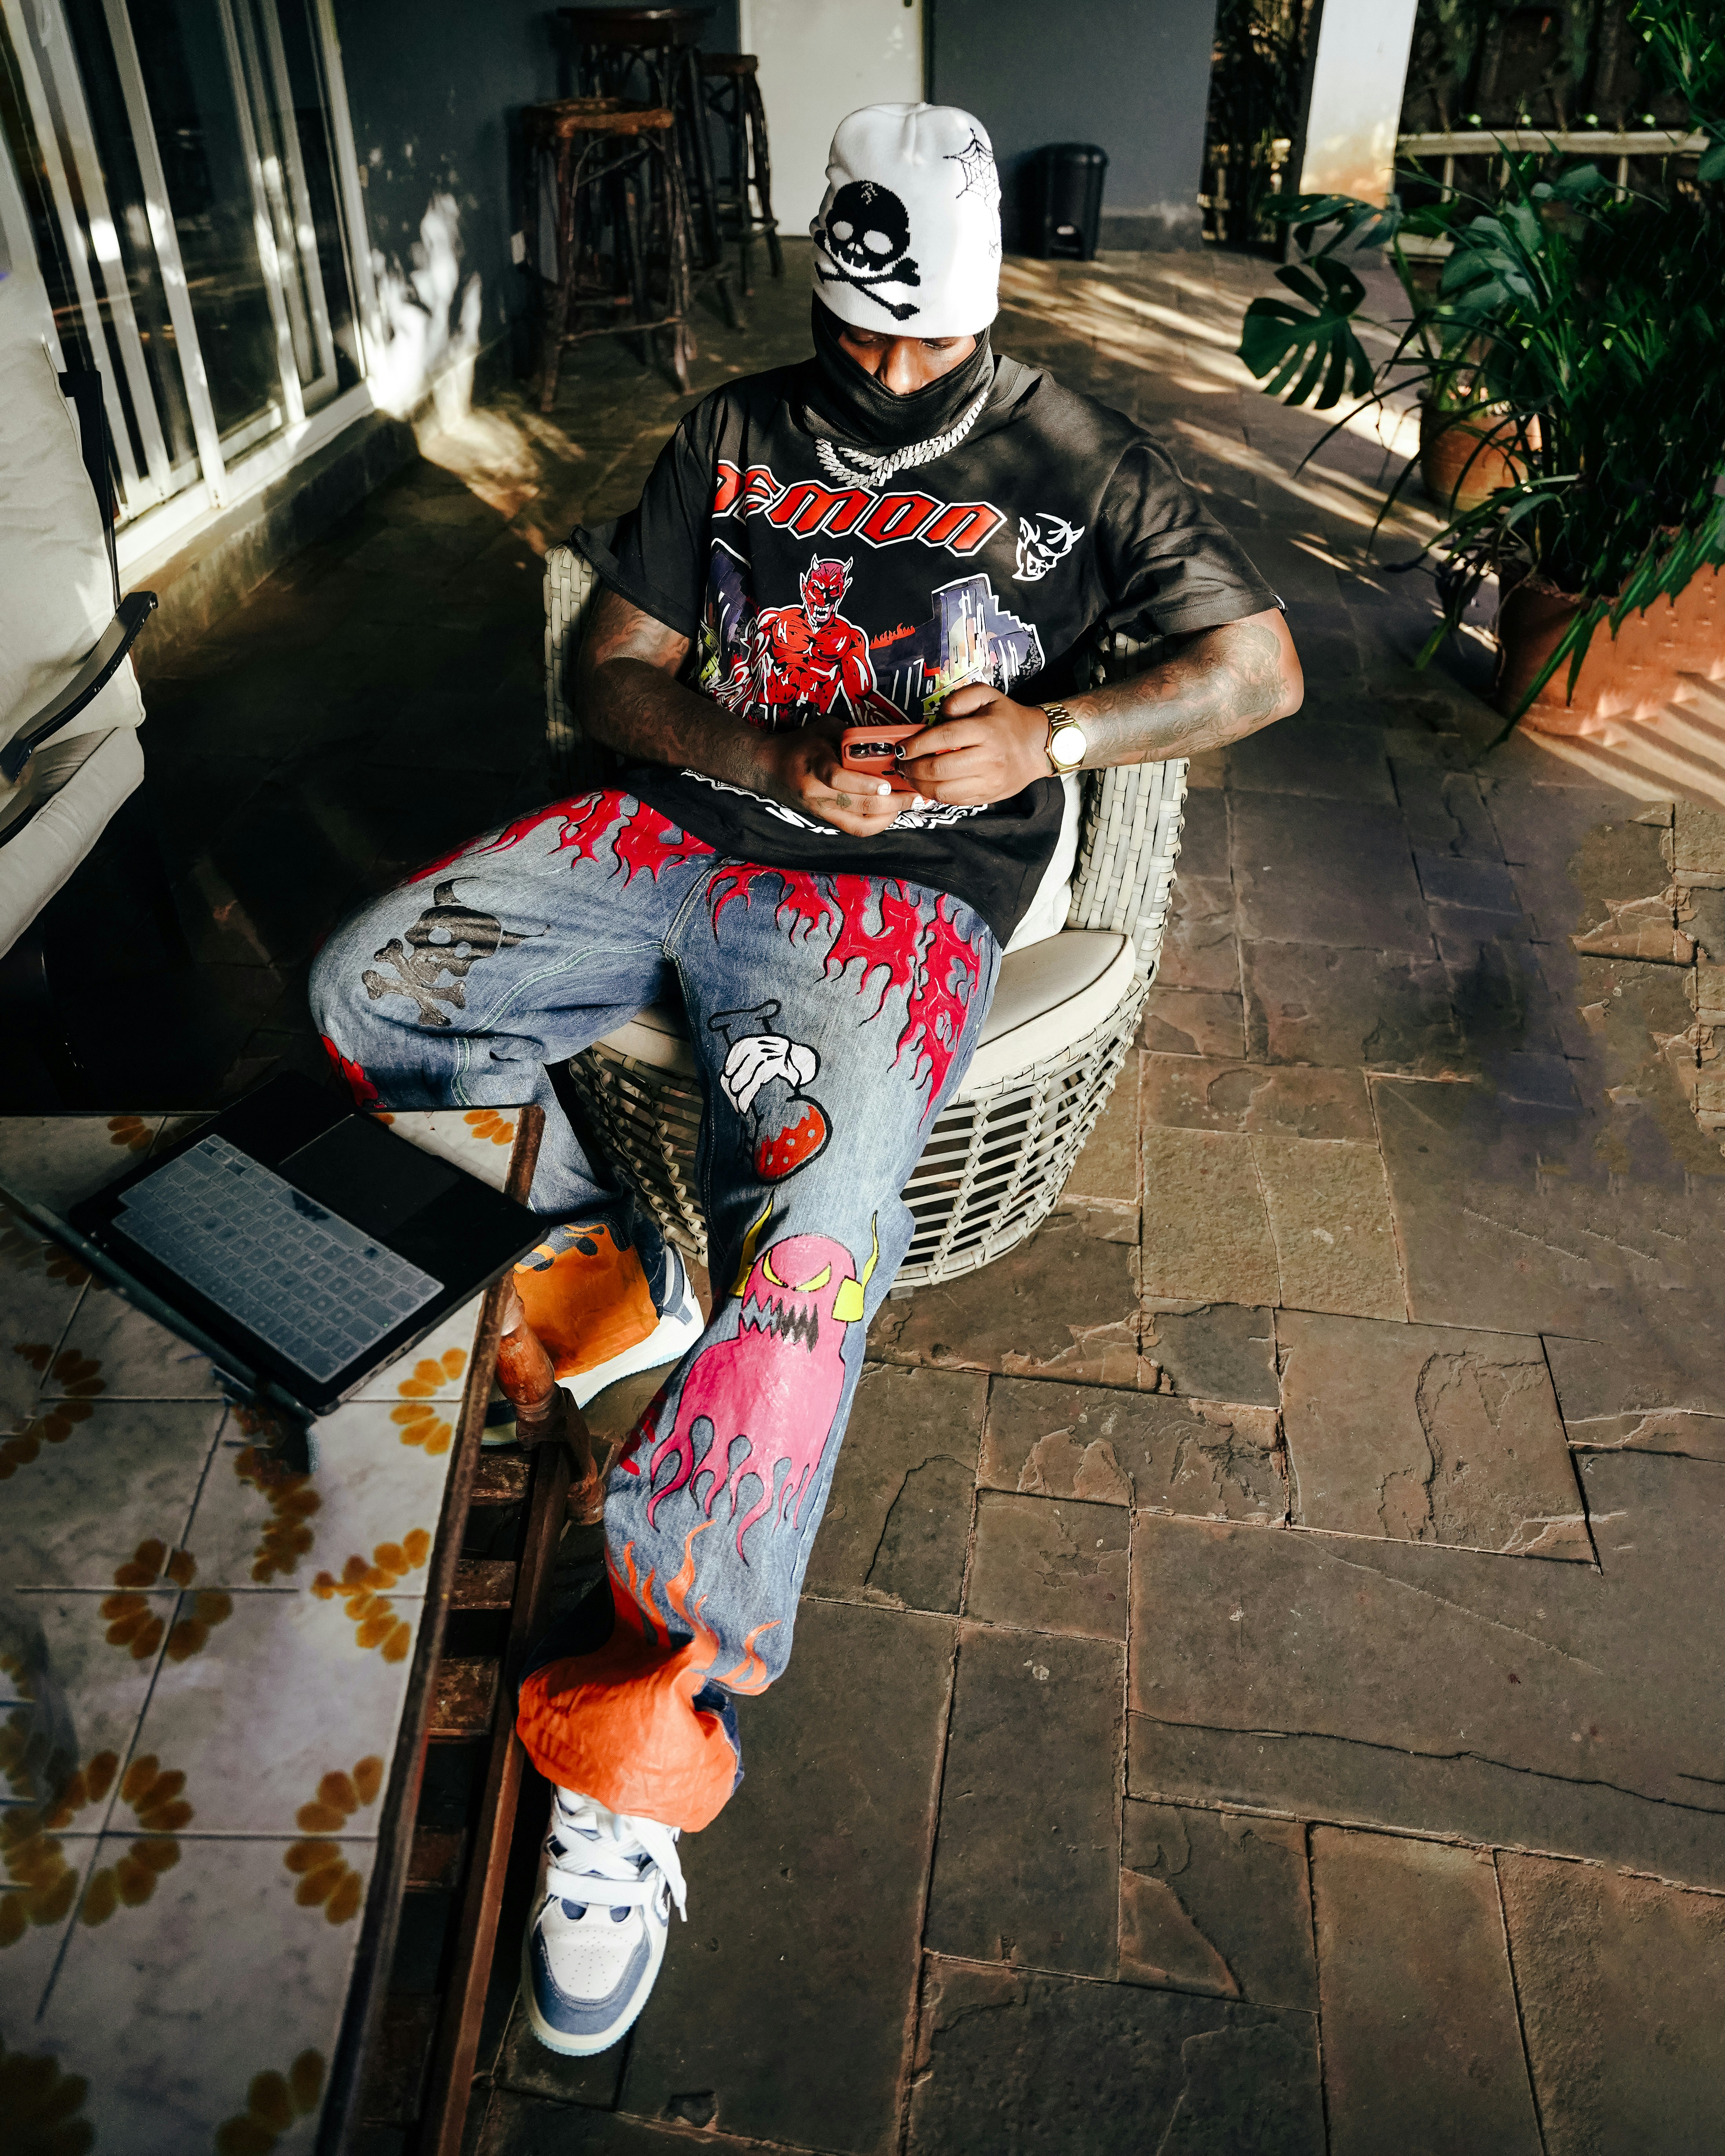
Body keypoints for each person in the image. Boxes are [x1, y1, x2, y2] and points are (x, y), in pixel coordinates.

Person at [309, 102, 1302, 2057]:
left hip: (892, 901)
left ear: (988, 292)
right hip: (679, 828)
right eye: (859, 334)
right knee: (366, 989)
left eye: (928, 340)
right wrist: (756, 764)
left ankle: (641, 1736)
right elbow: (612, 669)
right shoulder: (732, 432)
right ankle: (621, 1258)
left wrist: (1052, 738)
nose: (890, 375)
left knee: (814, 1255)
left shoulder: (1076, 457)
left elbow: (1258, 666)